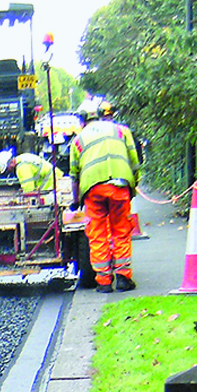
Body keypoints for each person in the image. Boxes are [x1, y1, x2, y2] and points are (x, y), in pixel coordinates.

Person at [69, 100, 142, 292]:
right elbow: (134, 162)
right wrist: (132, 186)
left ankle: (103, 283)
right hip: (119, 186)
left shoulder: (78, 140)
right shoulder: (121, 131)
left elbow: (74, 175)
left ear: (83, 120)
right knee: (121, 230)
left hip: (92, 189)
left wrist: (76, 200)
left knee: (98, 234)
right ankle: (123, 278)